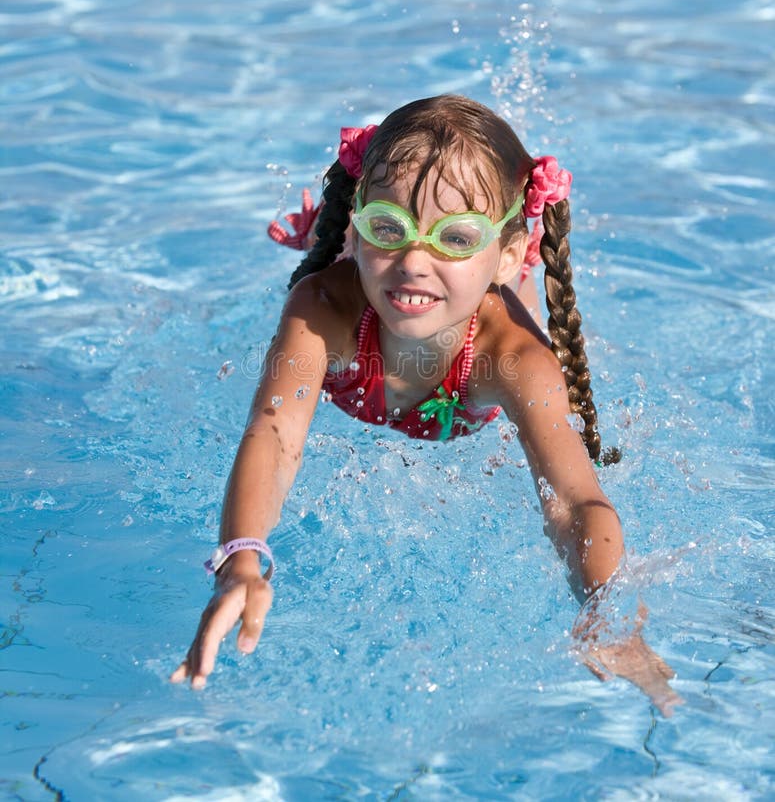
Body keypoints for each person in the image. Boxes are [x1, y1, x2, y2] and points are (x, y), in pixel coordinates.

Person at [171, 94, 682, 716]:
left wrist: (606, 615)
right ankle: (336, 234)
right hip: (365, 274)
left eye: (455, 238)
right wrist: (240, 558)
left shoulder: (514, 359)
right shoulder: (323, 310)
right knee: (360, 268)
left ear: (510, 249)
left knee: (498, 305)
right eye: (388, 228)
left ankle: (444, 245)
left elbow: (576, 503)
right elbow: (275, 433)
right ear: (361, 228)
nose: (415, 261)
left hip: (486, 310)